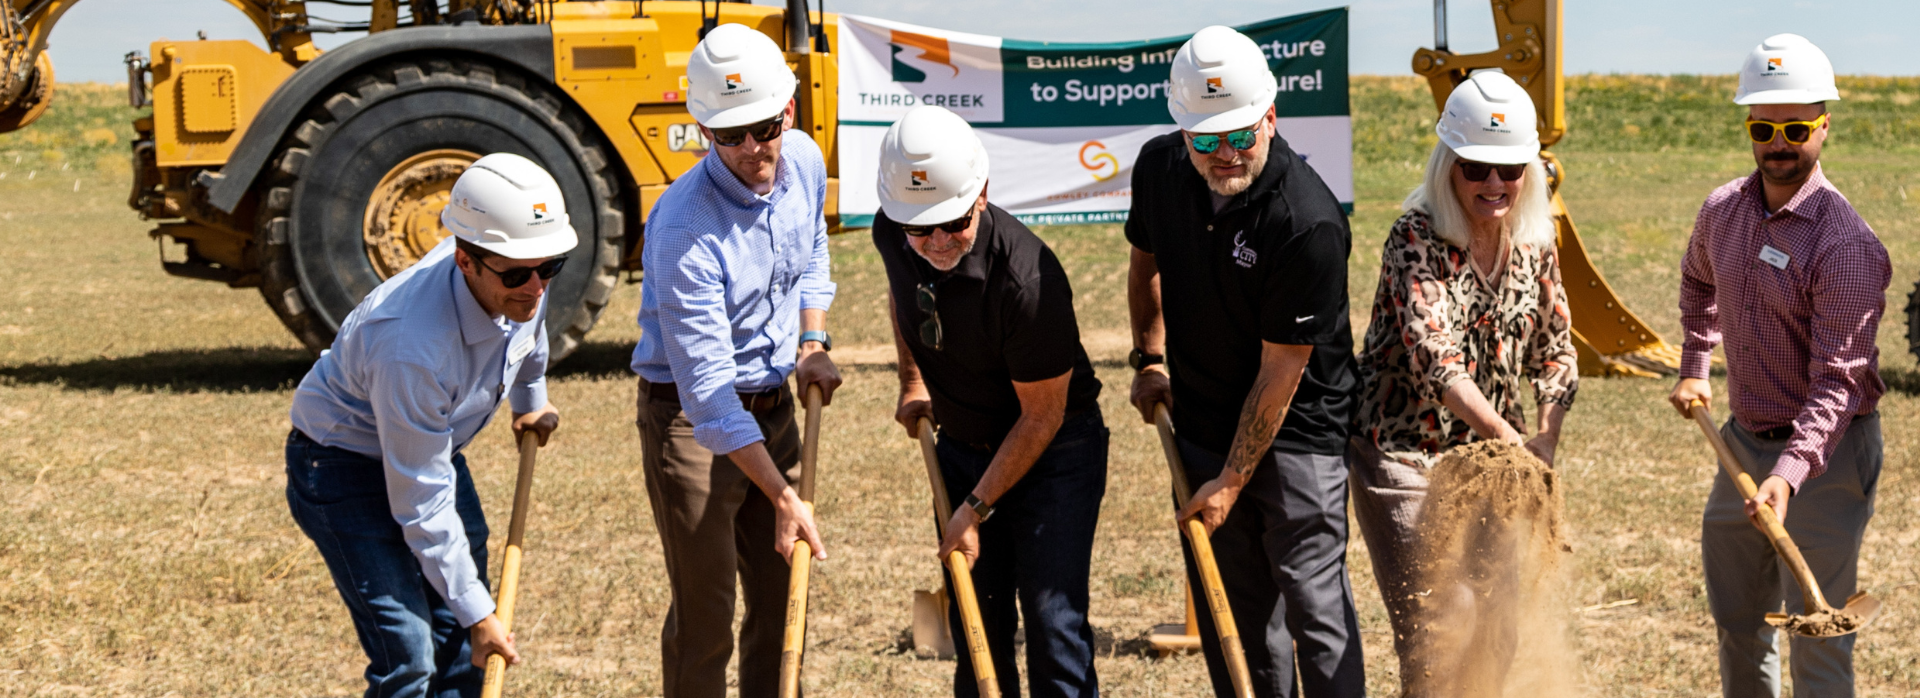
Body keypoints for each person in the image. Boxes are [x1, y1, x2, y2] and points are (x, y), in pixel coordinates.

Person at [1125, 25, 1364, 698]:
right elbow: (1145, 258)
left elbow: (1282, 369)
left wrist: (1231, 480)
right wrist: (1148, 356)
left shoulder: (1306, 223)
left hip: (1298, 431)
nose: (1226, 154)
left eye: (1241, 134)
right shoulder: (1159, 169)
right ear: (1182, 134)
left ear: (1271, 116)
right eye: (1206, 139)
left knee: (1316, 610)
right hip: (1203, 416)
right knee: (1233, 605)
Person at [284, 152, 571, 698]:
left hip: (428, 449)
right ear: (465, 261)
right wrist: (479, 615)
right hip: (341, 467)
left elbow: (530, 331)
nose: (537, 287)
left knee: (463, 630)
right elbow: (421, 500)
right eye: (517, 274)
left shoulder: (519, 261)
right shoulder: (410, 344)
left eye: (549, 266)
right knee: (410, 654)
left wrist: (529, 401)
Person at [1666, 34, 1889, 698]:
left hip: (1826, 457)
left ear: (1823, 127)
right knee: (1738, 623)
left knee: (1817, 645)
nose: (1779, 142)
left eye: (1796, 127)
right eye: (1764, 126)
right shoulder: (1723, 211)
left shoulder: (1844, 244)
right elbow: (1696, 284)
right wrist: (1694, 364)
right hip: (1741, 442)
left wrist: (1788, 478)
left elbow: (1838, 382)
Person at [1347, 70, 1578, 694]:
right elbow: (1436, 359)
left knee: (1499, 621)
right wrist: (1511, 439)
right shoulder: (1415, 236)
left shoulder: (1536, 241)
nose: (1494, 183)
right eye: (1476, 167)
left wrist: (1546, 439)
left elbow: (1556, 350)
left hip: (1491, 459)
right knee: (1443, 619)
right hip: (1405, 454)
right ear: (1449, 163)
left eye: (1509, 168)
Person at [628, 23, 842, 698]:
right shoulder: (683, 227)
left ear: (789, 110)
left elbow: (811, 252)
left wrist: (812, 341)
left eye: (765, 127)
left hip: (775, 404)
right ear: (703, 131)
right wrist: (784, 496)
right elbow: (711, 399)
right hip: (690, 423)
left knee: (787, 603)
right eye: (729, 135)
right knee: (707, 616)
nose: (753, 149)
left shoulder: (802, 159)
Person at [874, 105, 1108, 698]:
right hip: (961, 444)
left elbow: (1043, 415)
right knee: (979, 622)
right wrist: (913, 382)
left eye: (951, 223)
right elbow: (905, 300)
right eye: (919, 229)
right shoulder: (897, 232)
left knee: (1054, 623)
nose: (936, 242)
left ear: (981, 192)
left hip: (1055, 450)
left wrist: (974, 508)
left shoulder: (1029, 281)